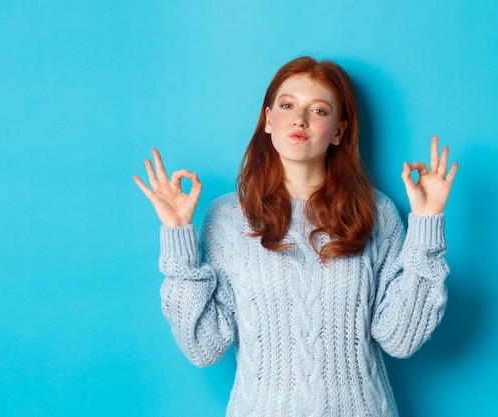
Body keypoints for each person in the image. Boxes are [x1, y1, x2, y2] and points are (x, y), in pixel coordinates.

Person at [133, 56, 458, 417]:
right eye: (287, 105)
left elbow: (402, 338)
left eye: (318, 110)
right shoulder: (227, 218)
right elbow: (202, 347)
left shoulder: (375, 212)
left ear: (338, 131)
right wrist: (178, 236)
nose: (299, 119)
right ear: (268, 120)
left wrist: (427, 224)